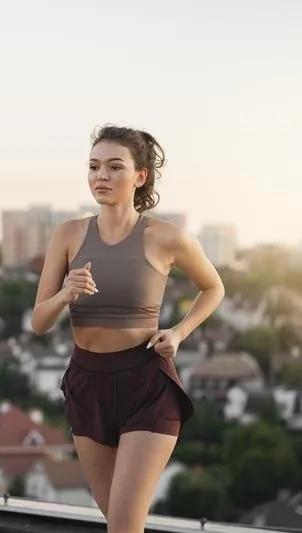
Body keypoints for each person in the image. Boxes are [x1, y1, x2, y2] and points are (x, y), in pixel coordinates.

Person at [31, 125, 225, 533]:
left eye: (114, 167)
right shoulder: (68, 235)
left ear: (140, 176)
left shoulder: (167, 237)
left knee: (122, 526)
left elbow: (214, 287)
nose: (101, 175)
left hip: (147, 385)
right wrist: (66, 293)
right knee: (119, 523)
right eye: (94, 166)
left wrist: (179, 332)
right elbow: (38, 322)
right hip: (88, 385)